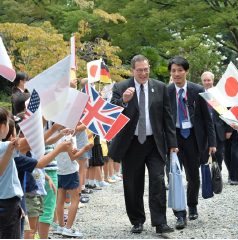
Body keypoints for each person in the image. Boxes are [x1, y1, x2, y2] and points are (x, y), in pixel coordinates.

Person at [108, 55, 178, 234]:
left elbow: (167, 118)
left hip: (154, 143)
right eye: (139, 70)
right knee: (132, 184)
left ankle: (160, 222)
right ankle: (137, 220)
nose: (143, 73)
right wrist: (123, 100)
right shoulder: (121, 87)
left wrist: (172, 144)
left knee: (158, 180)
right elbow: (111, 114)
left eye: (146, 69)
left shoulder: (160, 87)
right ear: (132, 71)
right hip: (131, 144)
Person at [167, 56, 216, 230]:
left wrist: (212, 142)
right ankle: (180, 214)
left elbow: (207, 119)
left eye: (180, 70)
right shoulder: (167, 91)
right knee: (174, 176)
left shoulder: (197, 90)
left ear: (186, 71)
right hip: (174, 137)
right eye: (173, 71)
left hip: (193, 137)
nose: (177, 74)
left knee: (193, 176)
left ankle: (192, 204)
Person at [56, 134, 93, 237]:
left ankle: (61, 226)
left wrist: (75, 150)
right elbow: (73, 157)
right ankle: (68, 228)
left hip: (59, 170)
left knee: (60, 199)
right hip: (70, 171)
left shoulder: (56, 134)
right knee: (75, 199)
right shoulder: (67, 136)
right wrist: (85, 148)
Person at [200, 71, 232, 169]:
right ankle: (206, 178)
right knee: (204, 153)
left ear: (212, 80)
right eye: (204, 80)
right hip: (204, 129)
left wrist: (229, 129)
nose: (207, 82)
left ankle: (217, 177)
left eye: (209, 80)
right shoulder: (199, 94)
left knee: (218, 153)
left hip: (218, 128)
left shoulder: (220, 94)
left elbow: (227, 112)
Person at [0, 106, 21, 239]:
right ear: (2, 126)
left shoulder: (5, 147)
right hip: (7, 203)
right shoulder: (3, 146)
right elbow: (31, 142)